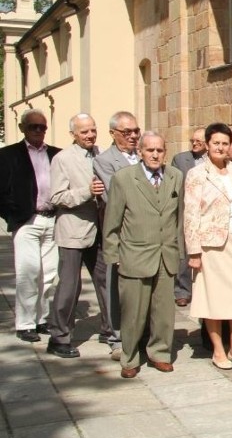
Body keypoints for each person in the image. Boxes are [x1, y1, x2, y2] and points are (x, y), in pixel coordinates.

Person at [102, 131, 184, 378]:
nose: (155, 154)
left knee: (163, 313)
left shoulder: (175, 177)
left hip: (165, 256)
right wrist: (112, 254)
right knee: (133, 313)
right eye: (150, 150)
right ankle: (129, 358)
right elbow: (112, 220)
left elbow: (178, 218)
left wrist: (179, 250)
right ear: (140, 152)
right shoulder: (124, 178)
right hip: (134, 256)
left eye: (159, 150)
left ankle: (160, 353)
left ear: (165, 151)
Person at [184, 123, 232, 370]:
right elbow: (191, 214)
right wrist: (194, 251)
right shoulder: (197, 174)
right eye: (216, 143)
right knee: (213, 299)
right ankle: (218, 351)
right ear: (207, 144)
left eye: (225, 143)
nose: (221, 147)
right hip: (210, 245)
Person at [46, 113, 109, 358]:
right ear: (73, 134)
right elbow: (57, 197)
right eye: (84, 132)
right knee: (70, 286)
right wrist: (86, 192)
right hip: (72, 231)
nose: (90, 135)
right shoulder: (62, 159)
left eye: (93, 130)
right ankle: (59, 336)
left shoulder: (102, 154)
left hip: (99, 231)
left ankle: (109, 328)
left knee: (105, 282)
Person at [0, 109, 60, 343]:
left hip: (52, 219)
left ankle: (41, 319)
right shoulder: (8, 155)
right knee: (28, 272)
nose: (38, 131)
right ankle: (25, 324)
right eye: (33, 126)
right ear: (23, 128)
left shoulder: (55, 154)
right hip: (27, 221)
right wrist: (12, 214)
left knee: (49, 273)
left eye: (42, 127)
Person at [94, 110, 141, 360]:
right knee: (116, 284)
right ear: (113, 133)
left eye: (136, 131)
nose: (133, 136)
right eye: (127, 132)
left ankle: (140, 334)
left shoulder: (145, 154)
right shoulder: (104, 160)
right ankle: (116, 337)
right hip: (121, 231)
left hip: (146, 234)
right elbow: (114, 194)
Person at [171, 127, 207, 307]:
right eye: (192, 141)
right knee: (185, 252)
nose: (194, 144)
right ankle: (182, 290)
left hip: (208, 212)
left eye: (198, 141)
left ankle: (204, 289)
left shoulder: (214, 159)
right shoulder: (180, 159)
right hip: (187, 210)